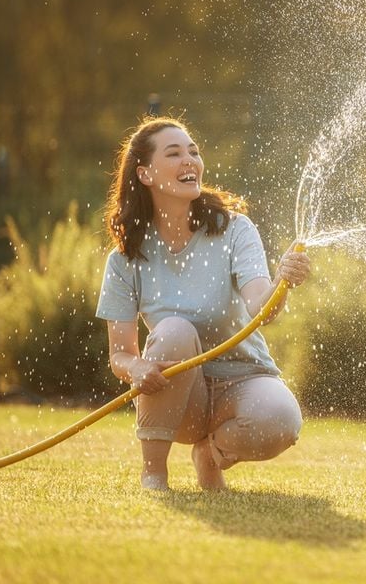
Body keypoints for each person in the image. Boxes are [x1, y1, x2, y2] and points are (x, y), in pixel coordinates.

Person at [96, 117, 311, 491]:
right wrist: (138, 368)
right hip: (179, 399)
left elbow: (262, 309)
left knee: (282, 420)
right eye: (175, 153)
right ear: (145, 174)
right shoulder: (125, 259)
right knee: (174, 331)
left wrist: (282, 283)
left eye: (194, 152)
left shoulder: (234, 229)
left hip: (243, 378)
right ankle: (154, 474)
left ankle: (209, 456)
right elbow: (120, 355)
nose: (190, 161)